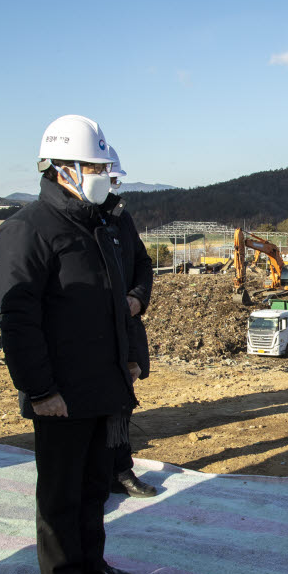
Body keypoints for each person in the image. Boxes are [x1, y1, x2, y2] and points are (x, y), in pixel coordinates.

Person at [0, 115, 141, 574]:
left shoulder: (97, 225)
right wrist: (40, 390)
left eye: (104, 165)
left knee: (95, 486)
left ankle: (91, 564)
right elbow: (18, 319)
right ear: (61, 169)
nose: (102, 174)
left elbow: (113, 305)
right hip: (59, 394)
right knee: (59, 493)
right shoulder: (27, 229)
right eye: (93, 165)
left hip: (102, 386)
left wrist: (126, 364)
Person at [105, 144, 156, 498]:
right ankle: (97, 473)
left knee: (121, 402)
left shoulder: (120, 218)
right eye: (106, 179)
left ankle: (121, 469)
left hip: (123, 329)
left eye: (113, 181)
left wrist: (137, 296)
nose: (111, 187)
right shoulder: (58, 225)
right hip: (89, 337)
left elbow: (142, 262)